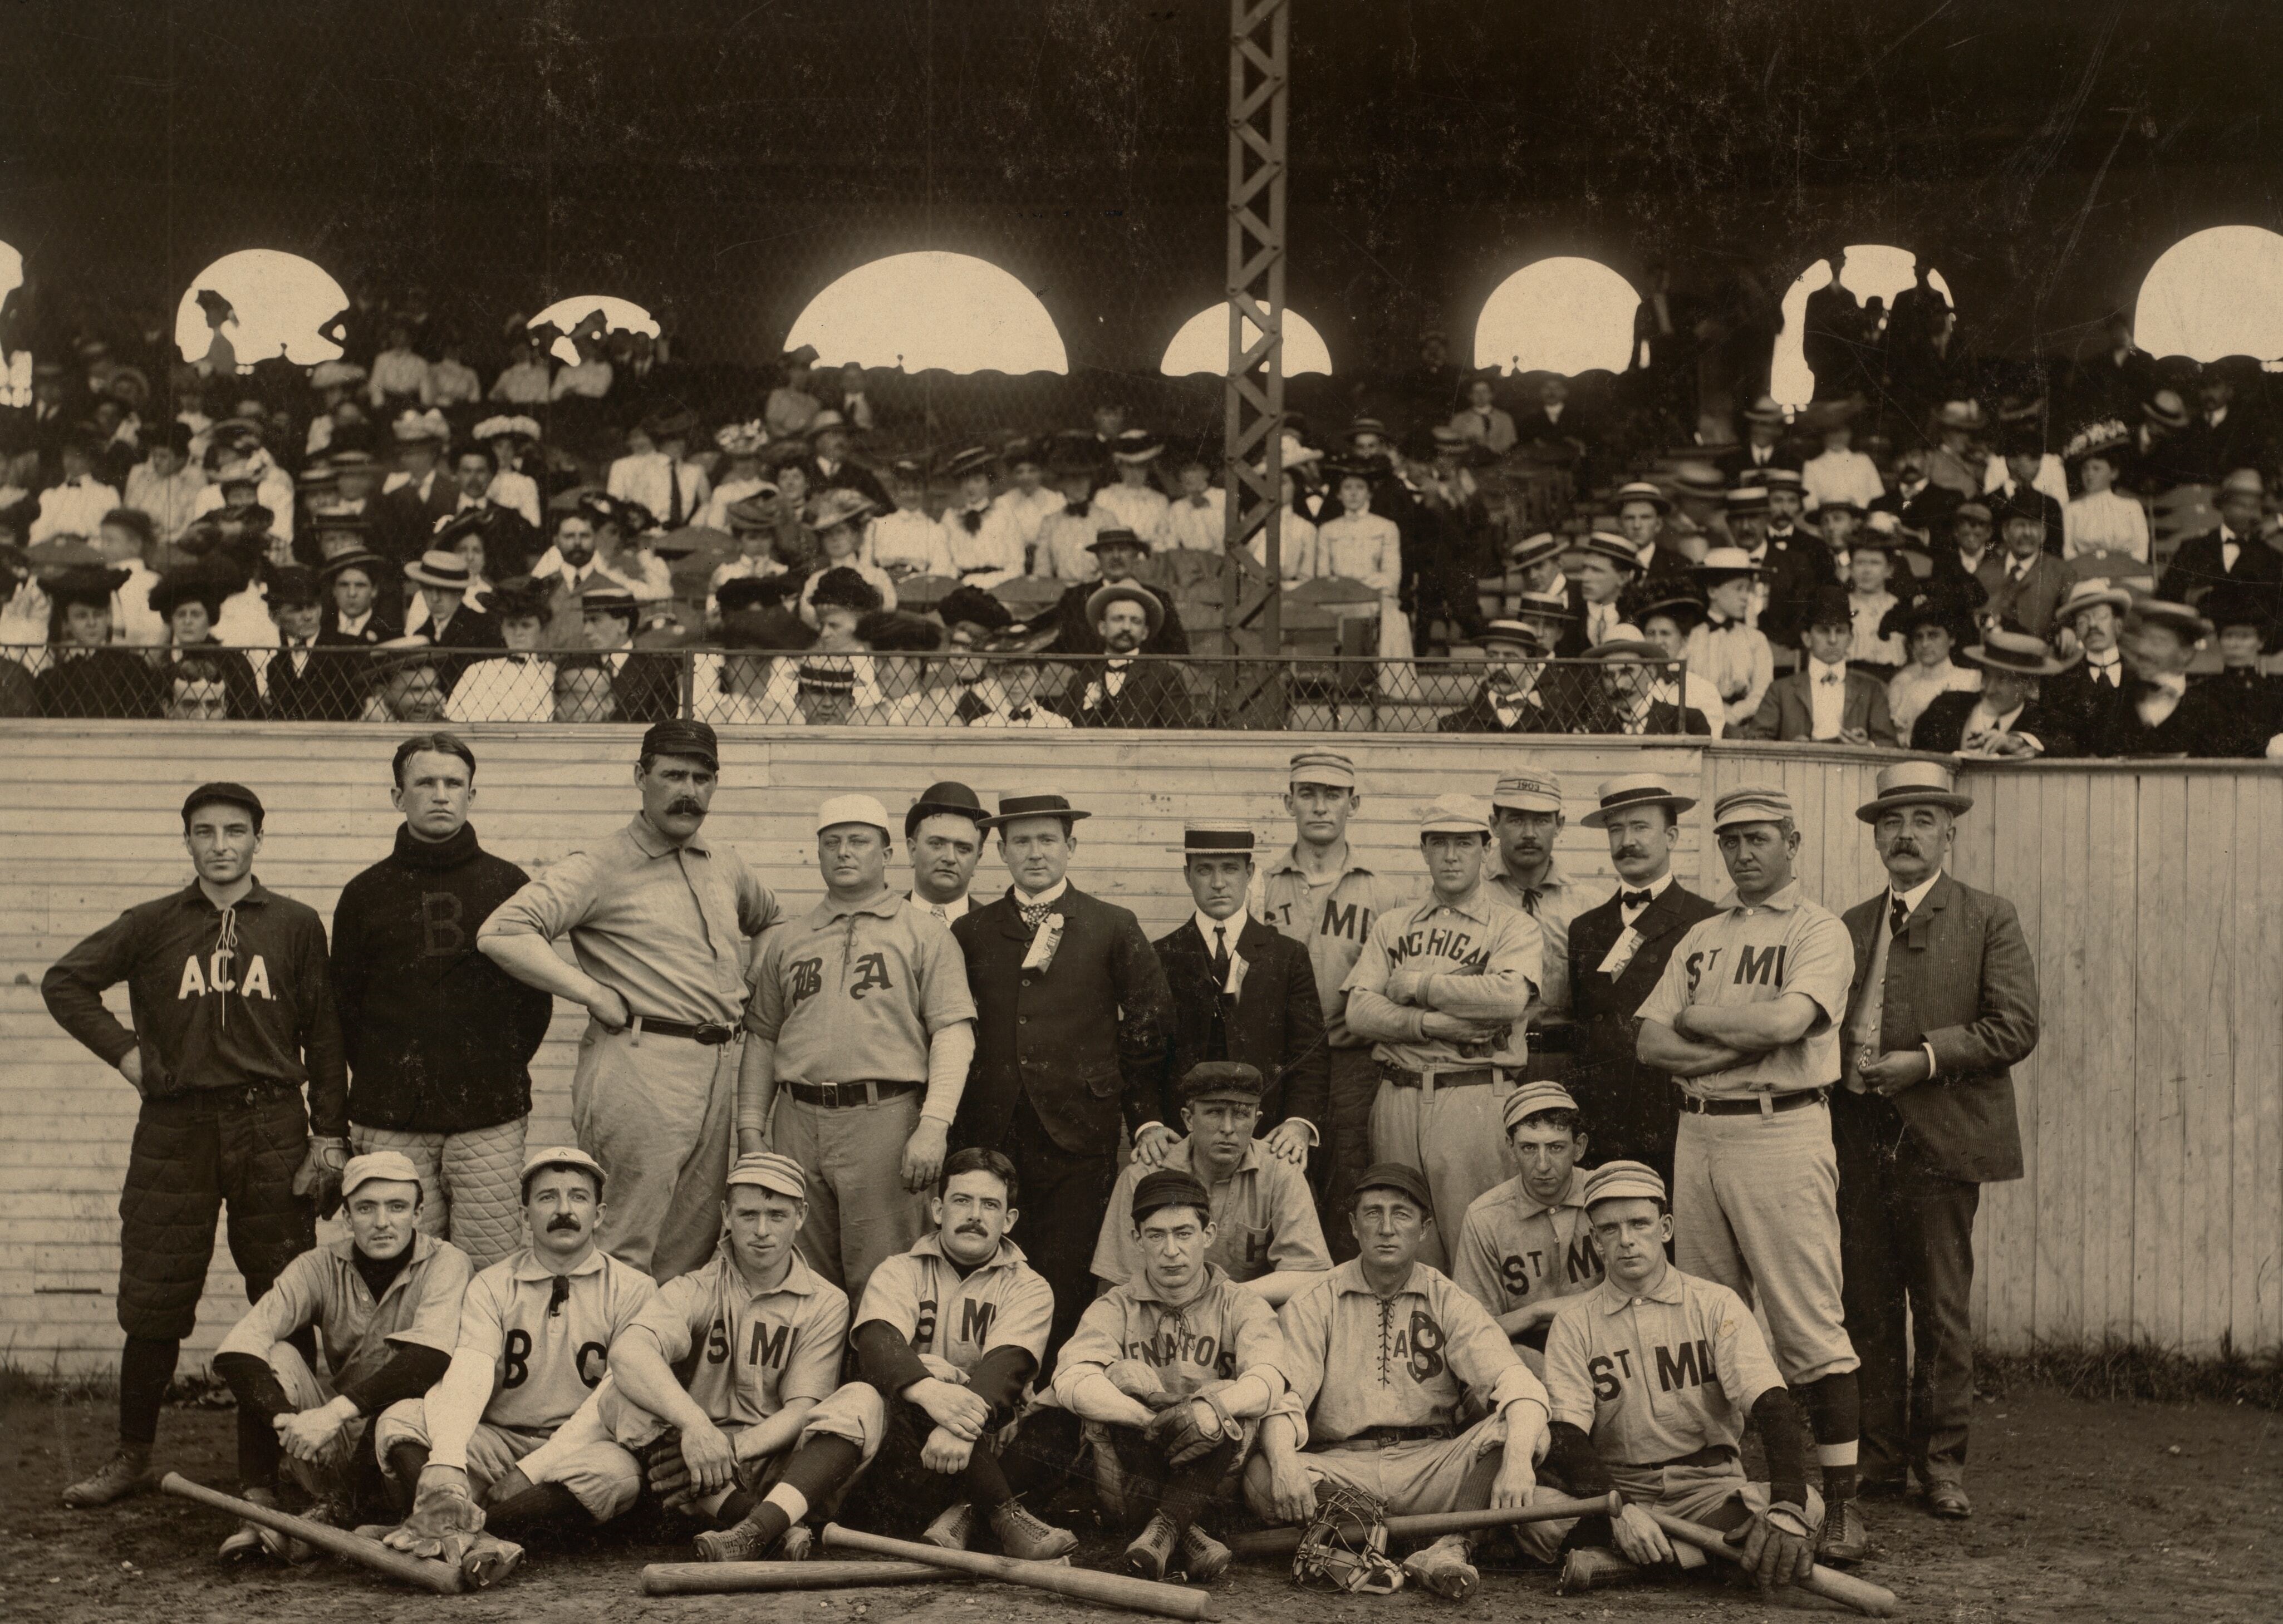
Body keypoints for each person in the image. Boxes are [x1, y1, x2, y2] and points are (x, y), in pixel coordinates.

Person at [43, 783, 348, 1508]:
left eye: (235, 831)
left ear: (257, 840)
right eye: (204, 832)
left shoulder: (297, 924)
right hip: (175, 1128)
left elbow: (327, 1035)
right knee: (155, 1295)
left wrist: (329, 1135)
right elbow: (66, 982)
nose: (220, 845)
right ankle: (131, 1455)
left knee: (280, 1295)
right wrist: (126, 1054)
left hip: (271, 1124)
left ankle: (272, 1468)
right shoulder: (151, 923)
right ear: (186, 840)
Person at [1634, 784, 1869, 1564]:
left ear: (1792, 842)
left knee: (1807, 1322)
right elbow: (1649, 1043)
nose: (1744, 852)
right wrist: (1722, 1037)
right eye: (1731, 840)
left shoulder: (1820, 929)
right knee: (1704, 1317)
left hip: (1783, 1125)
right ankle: (1726, 1488)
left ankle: (1839, 1507)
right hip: (1697, 1130)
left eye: (1760, 838)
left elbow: (1786, 1023)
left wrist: (1703, 1023)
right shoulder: (1701, 934)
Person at [479, 721, 781, 1278]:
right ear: (640, 777)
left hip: (716, 1065)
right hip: (640, 1062)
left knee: (691, 1241)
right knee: (625, 1240)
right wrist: (590, 990)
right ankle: (603, 1365)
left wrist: (753, 986)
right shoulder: (602, 862)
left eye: (701, 776)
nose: (687, 789)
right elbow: (503, 931)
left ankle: (660, 1361)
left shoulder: (725, 860)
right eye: (671, 775)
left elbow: (771, 920)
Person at [1834, 764, 2038, 1519]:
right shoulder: (1850, 924)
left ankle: (1942, 1464)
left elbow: (2014, 1026)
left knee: (1942, 1308)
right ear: (1876, 835)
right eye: (1892, 822)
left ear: (1949, 830)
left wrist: (1920, 1058)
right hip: (1858, 1136)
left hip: (1942, 1140)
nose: (1906, 834)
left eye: (1922, 819)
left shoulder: (1987, 916)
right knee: (1869, 1306)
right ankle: (1879, 1459)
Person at [1245, 1162, 1551, 1602]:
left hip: (1431, 1465)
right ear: (1353, 1226)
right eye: (1372, 1214)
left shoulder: (1448, 1298)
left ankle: (1446, 1547)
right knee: (1263, 1468)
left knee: (1520, 1426)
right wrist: (1284, 1459)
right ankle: (1373, 1538)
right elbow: (1283, 1398)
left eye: (1401, 1215)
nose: (1386, 1229)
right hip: (1344, 1466)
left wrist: (1518, 1460)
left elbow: (1516, 1384)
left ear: (1424, 1228)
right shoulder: (1316, 1299)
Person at [950, 792, 1174, 1369]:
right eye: (1020, 841)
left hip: (1078, 1133)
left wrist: (1141, 1114)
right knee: (987, 1263)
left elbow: (1149, 1027)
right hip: (992, 1131)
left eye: (1047, 839)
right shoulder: (972, 931)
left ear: (1071, 846)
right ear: (999, 850)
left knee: (1067, 1270)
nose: (1035, 852)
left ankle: (1057, 1404)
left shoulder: (1111, 925)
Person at [1533, 1160, 1825, 1595]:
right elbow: (1566, 1433)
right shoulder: (1575, 1322)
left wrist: (1786, 1504)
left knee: (1806, 1506)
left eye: (1639, 1223)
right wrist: (1621, 1511)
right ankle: (1695, 1559)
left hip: (1707, 1489)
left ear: (1665, 1228)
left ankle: (1632, 1564)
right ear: (1595, 1241)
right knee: (1535, 1512)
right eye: (1610, 1229)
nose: (1627, 1240)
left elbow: (1770, 1403)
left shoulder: (1713, 1303)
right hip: (1620, 1487)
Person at [586, 1152, 883, 1561]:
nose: (762, 1231)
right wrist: (697, 1428)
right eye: (748, 1215)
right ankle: (764, 1530)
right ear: (726, 1215)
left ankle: (760, 1526)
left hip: (781, 1473)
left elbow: (801, 1409)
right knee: (619, 1397)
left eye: (777, 1216)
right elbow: (628, 1350)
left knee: (863, 1400)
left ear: (800, 1216)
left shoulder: (825, 1301)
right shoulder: (695, 1287)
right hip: (700, 1471)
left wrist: (729, 1448)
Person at [737, 794, 975, 1303]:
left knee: (887, 1276)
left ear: (887, 855)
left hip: (884, 1118)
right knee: (800, 1274)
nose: (844, 853)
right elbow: (762, 1038)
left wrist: (934, 1124)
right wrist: (750, 1128)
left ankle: (885, 1383)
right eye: (832, 843)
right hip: (796, 1119)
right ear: (818, 854)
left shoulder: (924, 933)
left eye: (858, 842)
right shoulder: (790, 939)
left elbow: (954, 1034)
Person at [331, 734, 557, 1271]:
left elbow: (535, 1001)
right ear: (397, 796)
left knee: (489, 1266)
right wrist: (388, 1080)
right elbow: (344, 1007)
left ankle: (483, 1362)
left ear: (471, 795)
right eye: (425, 783)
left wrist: (491, 1069)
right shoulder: (364, 893)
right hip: (392, 1115)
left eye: (453, 783)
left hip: (488, 1116)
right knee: (401, 1263)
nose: (440, 795)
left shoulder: (509, 883)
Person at [373, 1147, 654, 1574]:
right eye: (547, 1198)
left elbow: (610, 1402)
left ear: (599, 1214)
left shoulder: (636, 1289)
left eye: (577, 1197)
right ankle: (477, 1534)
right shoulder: (492, 1284)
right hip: (500, 1439)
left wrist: (529, 1473)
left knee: (614, 1474)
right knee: (401, 1419)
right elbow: (469, 1371)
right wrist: (447, 1461)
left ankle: (460, 1529)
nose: (563, 1210)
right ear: (525, 1216)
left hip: (583, 1446)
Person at [210, 1151, 469, 1551]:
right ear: (347, 1218)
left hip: (405, 1449)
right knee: (274, 1354)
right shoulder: (318, 1265)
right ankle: (258, 1510)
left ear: (418, 1214)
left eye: (397, 1207)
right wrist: (289, 1423)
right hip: (331, 1443)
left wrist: (331, 1414)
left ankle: (333, 1514)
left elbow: (428, 1362)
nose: (382, 1222)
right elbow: (238, 1349)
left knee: (404, 1386)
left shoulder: (446, 1263)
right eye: (366, 1208)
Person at [840, 1146, 1078, 1559]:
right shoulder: (899, 1269)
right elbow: (879, 1345)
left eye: (990, 1205)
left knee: (1060, 1419)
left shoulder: (1029, 1285)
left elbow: (1007, 1366)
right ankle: (1002, 1514)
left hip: (983, 1439)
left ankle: (963, 1515)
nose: (975, 1215)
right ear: (937, 1209)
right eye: (962, 1201)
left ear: (1009, 1220)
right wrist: (933, 1395)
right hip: (915, 1447)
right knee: (919, 1378)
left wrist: (956, 1425)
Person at [1054, 1167, 1287, 1581]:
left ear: (1208, 1234)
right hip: (1128, 1480)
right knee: (1125, 1379)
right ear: (1136, 1239)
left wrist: (1208, 1409)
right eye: (1156, 1235)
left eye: (1183, 1233)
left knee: (1229, 1395)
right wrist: (1147, 1418)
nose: (1171, 1250)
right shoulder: (1115, 1306)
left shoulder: (1241, 1304)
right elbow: (1070, 1380)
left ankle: (1164, 1530)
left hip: (1219, 1481)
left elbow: (1269, 1380)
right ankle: (1180, 1528)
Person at [1343, 793, 1541, 1273]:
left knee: (1480, 1250)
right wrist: (1431, 1023)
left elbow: (1507, 998)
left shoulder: (1514, 925)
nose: (1451, 856)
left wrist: (1418, 985)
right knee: (1400, 1250)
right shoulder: (1392, 925)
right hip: (1397, 1095)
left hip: (1473, 1097)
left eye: (1464, 843)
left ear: (1485, 849)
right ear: (1424, 851)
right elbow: (1359, 1011)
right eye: (1439, 844)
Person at [1254, 750, 1418, 1258]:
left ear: (1355, 803)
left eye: (1333, 795)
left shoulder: (1385, 892)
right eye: (1307, 794)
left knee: (1350, 1185)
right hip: (1281, 1062)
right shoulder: (1258, 885)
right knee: (1271, 1189)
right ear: (1288, 802)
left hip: (1354, 1061)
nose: (1320, 806)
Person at [1564, 775, 1721, 1184]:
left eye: (1639, 827)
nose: (1626, 841)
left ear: (1671, 836)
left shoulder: (1707, 920)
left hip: (1674, 1119)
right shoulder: (1584, 928)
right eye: (1615, 829)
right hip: (1600, 1125)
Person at [1147, 822, 1329, 1145]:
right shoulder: (1160, 956)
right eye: (1204, 870)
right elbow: (1142, 1057)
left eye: (1230, 869)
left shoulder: (1288, 956)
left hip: (1269, 1138)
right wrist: (1149, 1126)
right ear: (1187, 876)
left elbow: (1310, 1056)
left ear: (1250, 873)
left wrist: (1298, 1124)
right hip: (1180, 1139)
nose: (1218, 883)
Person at [1097, 1061, 1332, 1303]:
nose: (1228, 1128)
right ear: (1189, 1119)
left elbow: (1308, 1272)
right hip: (1162, 1312)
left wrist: (1219, 1301)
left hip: (1248, 1311)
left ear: (1256, 1120)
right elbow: (1122, 1281)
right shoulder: (1144, 1174)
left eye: (1241, 1114)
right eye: (1215, 1112)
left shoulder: (1279, 1171)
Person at [1450, 1082, 1603, 1374]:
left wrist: (1535, 1312)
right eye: (1529, 1148)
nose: (1542, 1165)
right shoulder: (1485, 1216)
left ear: (1579, 1147)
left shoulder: (1605, 1197)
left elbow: (1636, 1295)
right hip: (1519, 1354)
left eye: (1556, 1148)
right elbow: (1476, 1330)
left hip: (1602, 1343)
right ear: (1511, 1149)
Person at [1480, 769, 1590, 1086]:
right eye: (1516, 819)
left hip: (1561, 1062)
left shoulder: (1586, 905)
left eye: (1541, 820)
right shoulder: (1471, 897)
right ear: (1494, 824)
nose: (1529, 833)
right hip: (1488, 1059)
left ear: (1559, 825)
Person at [2091, 599, 2260, 757]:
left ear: (2185, 654)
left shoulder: (2211, 710)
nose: (2143, 650)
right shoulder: (2112, 703)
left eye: (2158, 642)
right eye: (2142, 640)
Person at [1746, 585, 1899, 745]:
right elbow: (1755, 739)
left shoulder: (1871, 691)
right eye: (1824, 631)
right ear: (1807, 639)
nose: (1832, 640)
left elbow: (1889, 743)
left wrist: (1867, 746)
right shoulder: (1780, 691)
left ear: (1850, 639)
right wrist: (1789, 748)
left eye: (1840, 631)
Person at [1910, 631, 2076, 757]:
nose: (1988, 688)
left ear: (2029, 685)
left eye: (2002, 679)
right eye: (1986, 675)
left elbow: (2068, 747)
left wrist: (2016, 742)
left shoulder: (2047, 722)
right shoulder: (1944, 707)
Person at [2154, 468, 2280, 633]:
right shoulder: (2192, 548)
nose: (2250, 514)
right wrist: (2187, 597)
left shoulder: (2273, 558)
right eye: (2242, 505)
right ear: (2223, 505)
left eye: (2255, 507)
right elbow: (2165, 598)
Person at [33, 562, 163, 718]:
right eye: (82, 616)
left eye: (98, 614)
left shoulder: (131, 668)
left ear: (108, 618)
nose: (91, 623)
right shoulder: (52, 679)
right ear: (67, 622)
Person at [1058, 581, 1192, 727]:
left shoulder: (1166, 677)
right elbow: (1061, 726)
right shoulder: (1082, 679)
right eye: (1118, 619)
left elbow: (1178, 733)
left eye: (1135, 621)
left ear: (1145, 632)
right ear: (1103, 628)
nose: (1127, 628)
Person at [1047, 528, 1187, 656]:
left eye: (1123, 549)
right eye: (1108, 550)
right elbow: (1064, 648)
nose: (1116, 556)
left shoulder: (1159, 598)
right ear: (1098, 557)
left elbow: (1177, 650)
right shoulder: (1075, 597)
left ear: (1135, 555)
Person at [1685, 548, 1775, 731]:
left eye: (1748, 590)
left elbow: (1762, 692)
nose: (1745, 597)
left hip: (1745, 727)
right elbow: (1683, 689)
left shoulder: (1756, 640)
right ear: (1712, 591)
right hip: (1698, 726)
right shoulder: (1691, 639)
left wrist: (1734, 715)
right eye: (1738, 589)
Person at [1882, 595, 1981, 748]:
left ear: (1952, 639)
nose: (1925, 644)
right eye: (1918, 637)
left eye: (1933, 635)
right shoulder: (1903, 685)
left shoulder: (1971, 679)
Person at [1435, 618, 1562, 732]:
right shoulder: (1454, 724)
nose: (1499, 666)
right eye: (1492, 656)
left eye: (1510, 657)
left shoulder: (1552, 726)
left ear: (1531, 667)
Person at [1979, 490, 2071, 641]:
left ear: (2044, 533)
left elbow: (2069, 619)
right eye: (2020, 525)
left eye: (2034, 526)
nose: (2027, 533)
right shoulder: (1985, 571)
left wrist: (2067, 631)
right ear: (2005, 532)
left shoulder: (2061, 573)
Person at [2058, 421, 2149, 561]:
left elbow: (2141, 550)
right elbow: (2069, 551)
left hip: (2128, 574)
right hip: (2086, 575)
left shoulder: (2132, 507)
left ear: (2114, 473)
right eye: (2085, 469)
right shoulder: (2072, 510)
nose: (2089, 475)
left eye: (2096, 469)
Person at [607, 407, 709, 530]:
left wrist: (695, 525)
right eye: (671, 439)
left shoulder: (695, 471)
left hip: (683, 534)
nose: (679, 444)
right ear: (659, 441)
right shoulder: (641, 468)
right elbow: (620, 505)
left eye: (683, 438)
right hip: (646, 533)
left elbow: (707, 504)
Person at [935, 446, 1024, 586]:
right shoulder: (951, 518)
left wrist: (991, 582)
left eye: (977, 481)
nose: (971, 487)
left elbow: (1016, 565)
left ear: (989, 483)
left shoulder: (1004, 514)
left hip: (999, 586)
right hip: (963, 587)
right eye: (965, 481)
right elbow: (943, 560)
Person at [903, 781, 988, 924]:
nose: (950, 858)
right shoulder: (881, 924)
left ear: (977, 860)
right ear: (913, 851)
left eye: (963, 849)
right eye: (937, 844)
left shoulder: (991, 928)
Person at [1094, 432, 1173, 542]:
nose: (1135, 473)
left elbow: (1164, 537)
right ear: (1120, 468)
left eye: (1140, 467)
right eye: (1130, 467)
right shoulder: (1105, 496)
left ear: (1148, 469)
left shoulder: (1159, 500)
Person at [1449, 375, 1517, 455]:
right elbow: (1452, 445)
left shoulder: (1505, 418)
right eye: (1476, 392)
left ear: (1492, 395)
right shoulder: (1459, 419)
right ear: (1470, 396)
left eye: (1485, 391)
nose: (1480, 395)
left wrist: (1488, 444)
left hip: (1498, 463)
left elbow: (1508, 446)